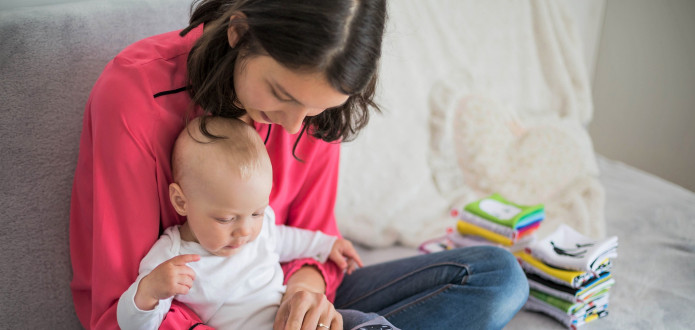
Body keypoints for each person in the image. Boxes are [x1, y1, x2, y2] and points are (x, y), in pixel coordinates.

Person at [69, 0, 529, 329]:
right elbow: (121, 303)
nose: (294, 127)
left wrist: (304, 294)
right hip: (197, 319)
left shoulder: (312, 111)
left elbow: (313, 240)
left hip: (281, 301)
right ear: (239, 31)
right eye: (282, 96)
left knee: (499, 277)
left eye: (313, 110)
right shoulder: (134, 98)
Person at [116, 117, 397, 330]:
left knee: (361, 321)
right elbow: (132, 325)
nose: (245, 231)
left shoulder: (257, 229)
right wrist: (149, 292)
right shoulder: (173, 258)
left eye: (257, 213)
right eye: (225, 219)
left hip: (292, 320)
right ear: (181, 201)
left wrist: (327, 244)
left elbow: (287, 239)